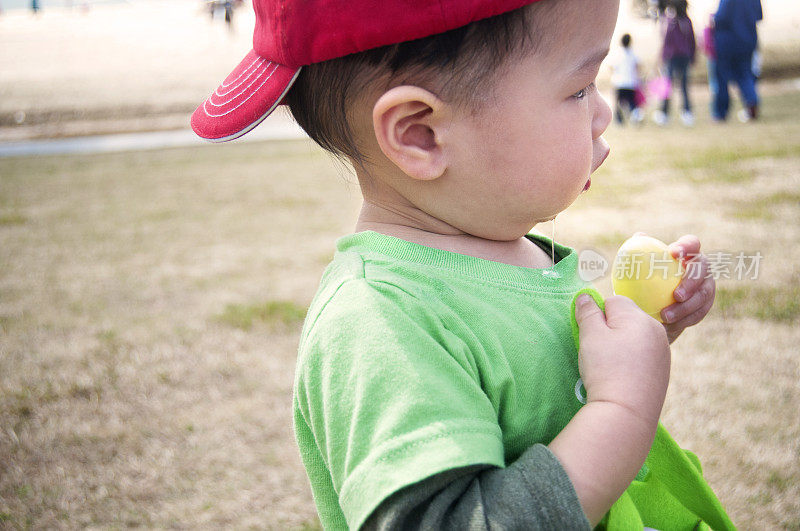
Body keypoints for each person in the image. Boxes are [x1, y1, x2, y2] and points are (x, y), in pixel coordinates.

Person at [191, 0, 732, 528]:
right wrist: (622, 408)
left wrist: (642, 329)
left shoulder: (508, 250)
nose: (604, 112)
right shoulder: (379, 322)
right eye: (580, 87)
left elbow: (538, 392)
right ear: (421, 134)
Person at [713, 0, 762, 121]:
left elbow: (721, 16)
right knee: (745, 73)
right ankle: (751, 101)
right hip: (748, 40)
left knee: (722, 77)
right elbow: (759, 15)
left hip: (728, 41)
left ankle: (721, 112)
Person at [656, 0, 696, 126]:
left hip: (672, 58)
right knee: (683, 86)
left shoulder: (671, 22)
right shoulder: (687, 22)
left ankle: (664, 114)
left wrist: (662, 57)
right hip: (684, 57)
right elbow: (692, 41)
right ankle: (687, 113)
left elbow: (666, 41)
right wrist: (693, 57)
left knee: (668, 86)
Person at [611, 33, 644, 125]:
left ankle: (619, 120)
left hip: (619, 83)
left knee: (618, 103)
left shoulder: (617, 54)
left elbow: (612, 67)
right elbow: (638, 67)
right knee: (632, 103)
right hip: (631, 83)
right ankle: (635, 117)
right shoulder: (633, 54)